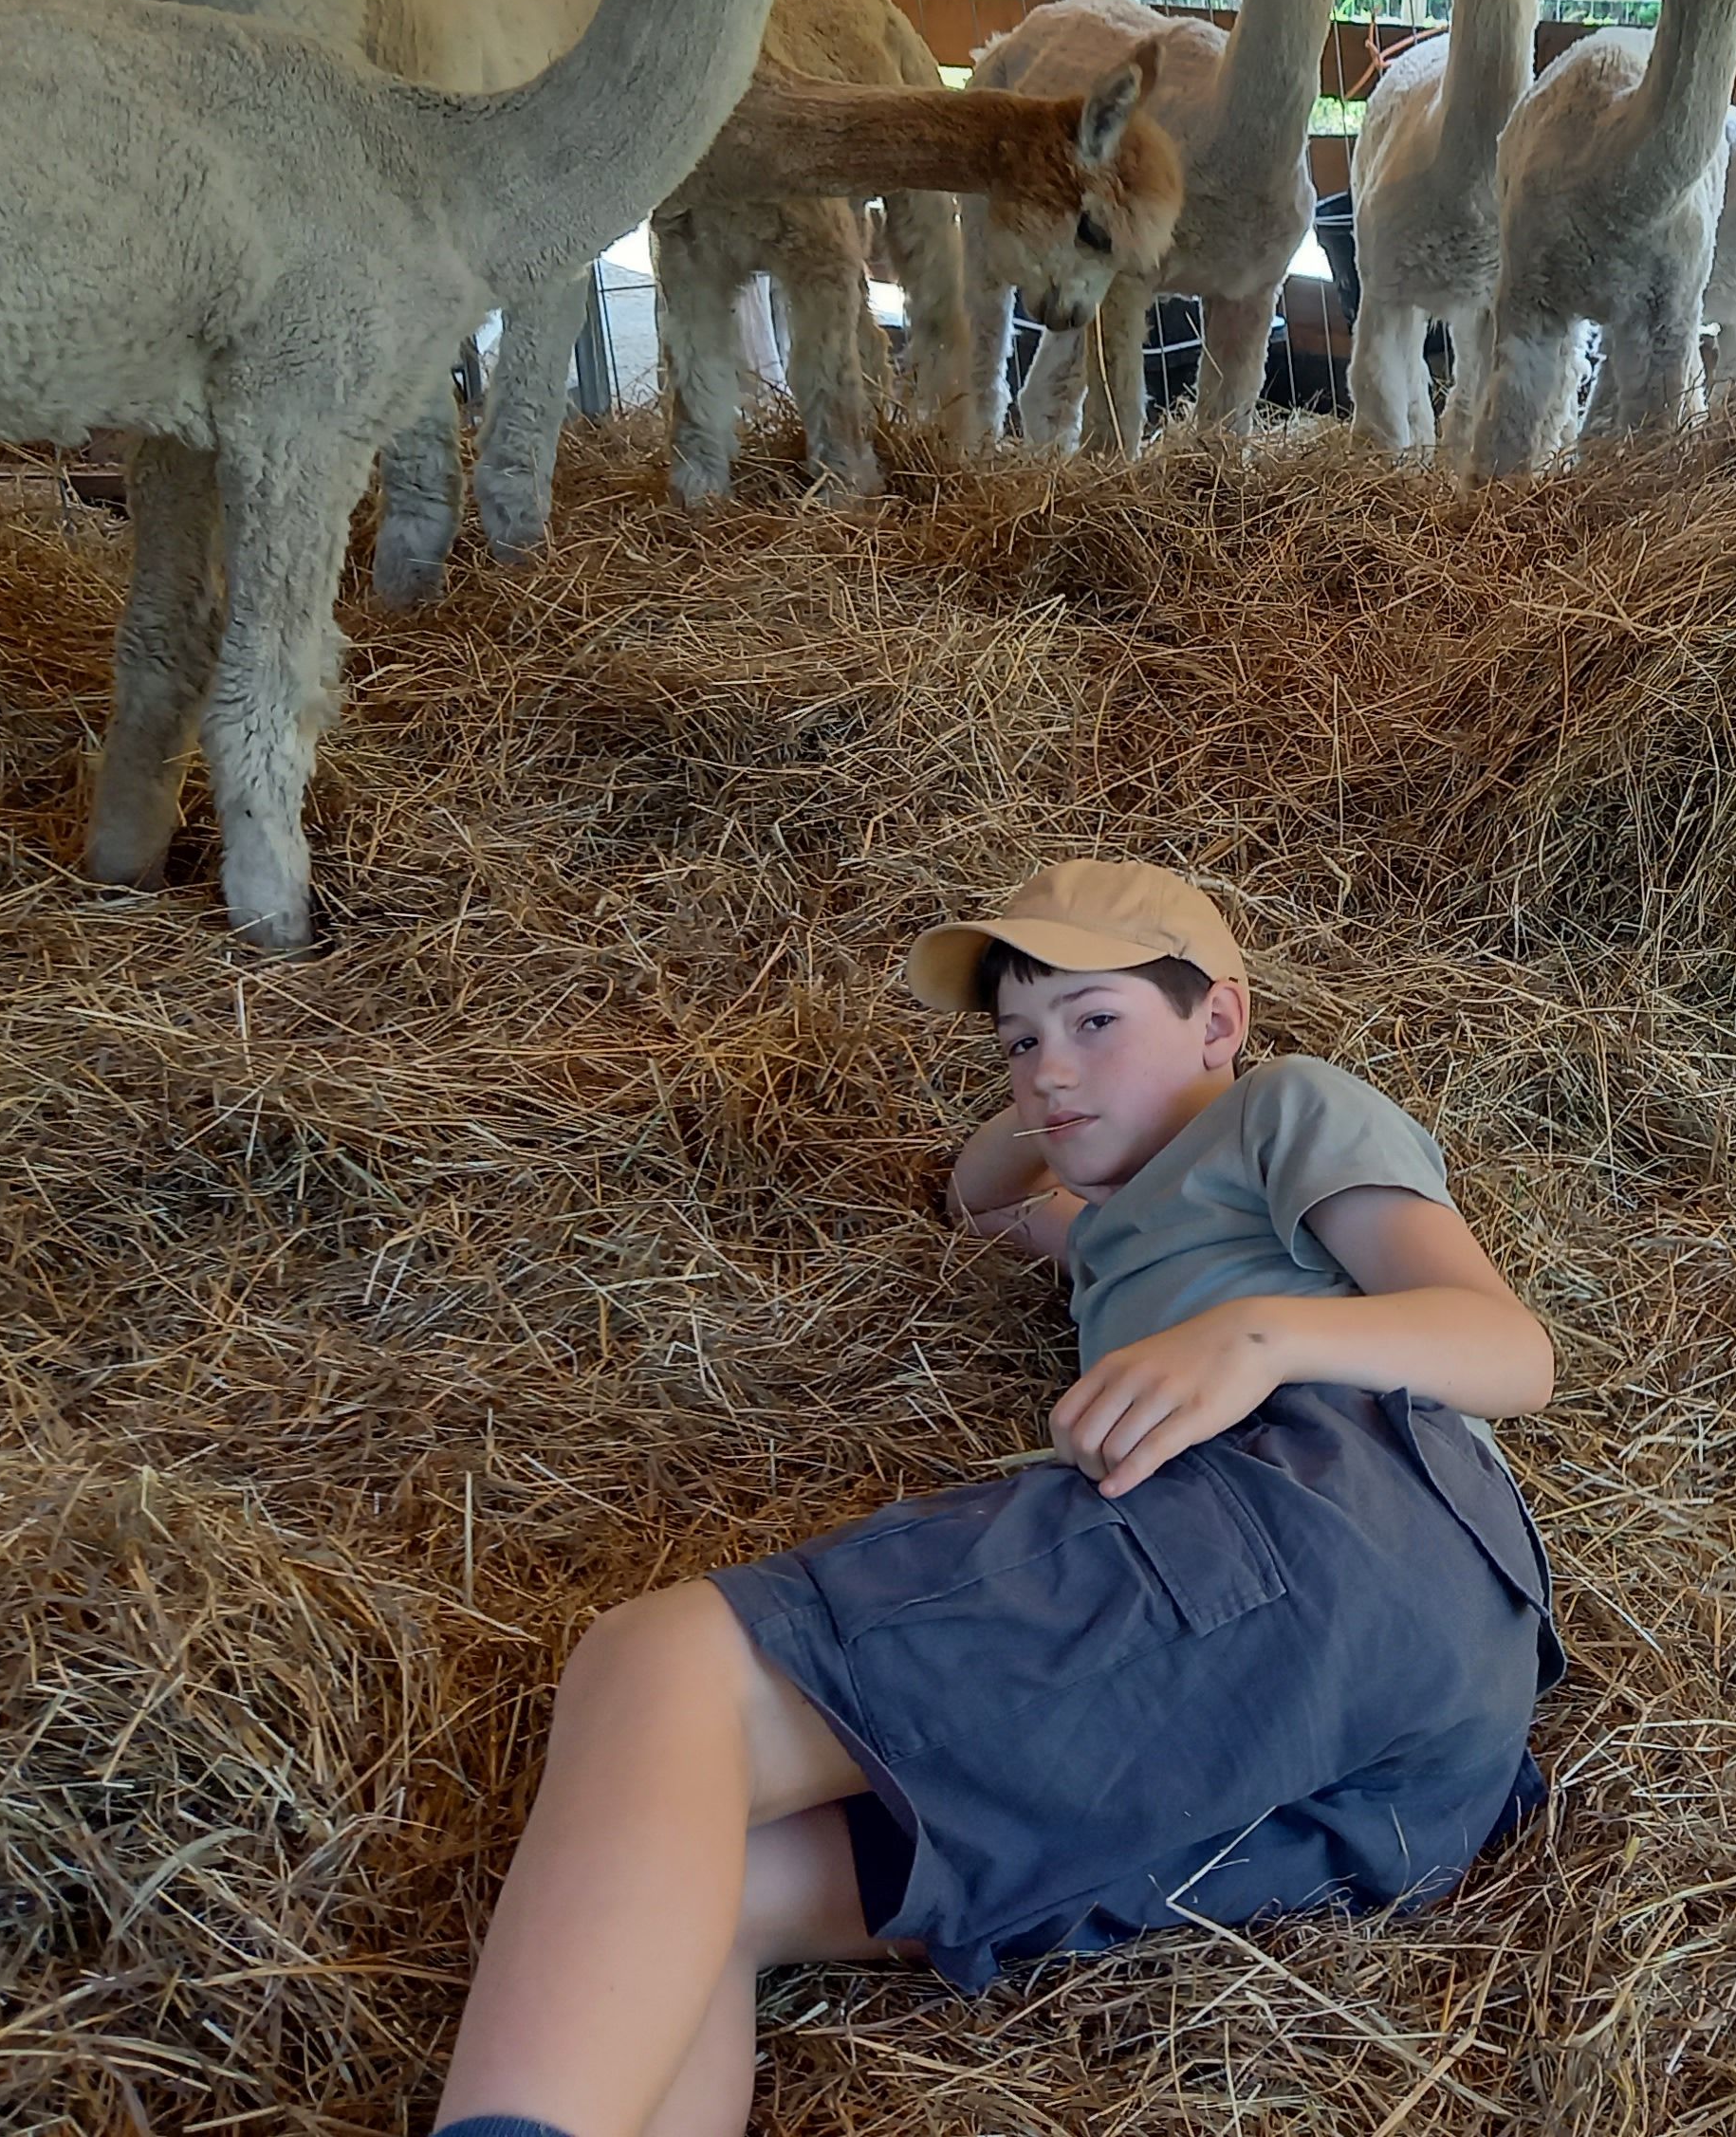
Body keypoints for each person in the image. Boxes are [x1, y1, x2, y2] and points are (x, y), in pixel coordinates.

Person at [429, 860, 1564, 2137]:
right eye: (1018, 1041)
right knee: (725, 1888)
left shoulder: (1284, 1108)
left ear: (1221, 1021)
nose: (1046, 1071)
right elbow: (977, 1200)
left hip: (1340, 1516)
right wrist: (1064, 1100)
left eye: (1096, 1019)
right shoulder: (1118, 1231)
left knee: (666, 1667)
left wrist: (1257, 1338)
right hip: (1377, 1772)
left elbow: (1511, 1349)